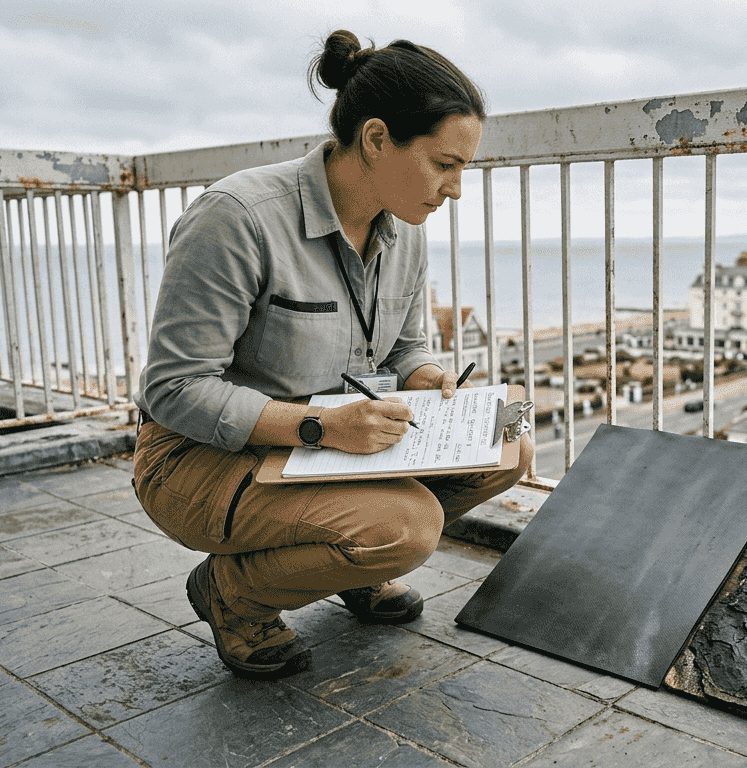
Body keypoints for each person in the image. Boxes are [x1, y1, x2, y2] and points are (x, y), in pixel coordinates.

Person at [132, 31, 531, 680]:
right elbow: (174, 389)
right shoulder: (237, 218)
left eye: (464, 169)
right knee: (408, 528)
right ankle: (233, 596)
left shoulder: (403, 229)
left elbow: (404, 345)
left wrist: (426, 374)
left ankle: (351, 563)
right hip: (199, 456)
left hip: (327, 446)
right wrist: (318, 426)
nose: (456, 189)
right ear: (376, 139)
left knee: (507, 448)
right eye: (444, 164)